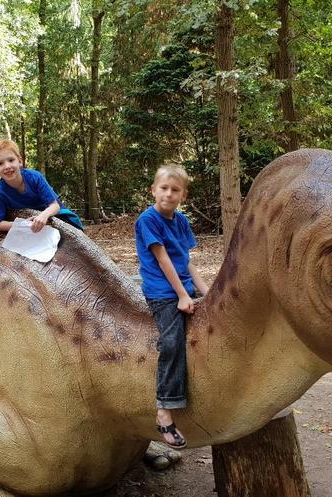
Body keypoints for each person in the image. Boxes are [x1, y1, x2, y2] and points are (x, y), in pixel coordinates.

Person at [134, 164, 210, 450]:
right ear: (154, 190)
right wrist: (181, 295)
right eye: (163, 188)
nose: (168, 194)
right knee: (172, 340)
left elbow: (185, 261)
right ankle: (164, 410)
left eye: (175, 190)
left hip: (183, 288)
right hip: (163, 292)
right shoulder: (148, 220)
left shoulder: (181, 222)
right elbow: (164, 260)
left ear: (183, 195)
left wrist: (205, 291)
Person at [0, 138, 83, 233]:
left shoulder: (35, 178)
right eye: (0, 163)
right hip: (28, 223)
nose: (7, 166)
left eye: (11, 160)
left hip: (51, 214)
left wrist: (43, 216)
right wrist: (22, 224)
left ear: (20, 161)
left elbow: (55, 206)